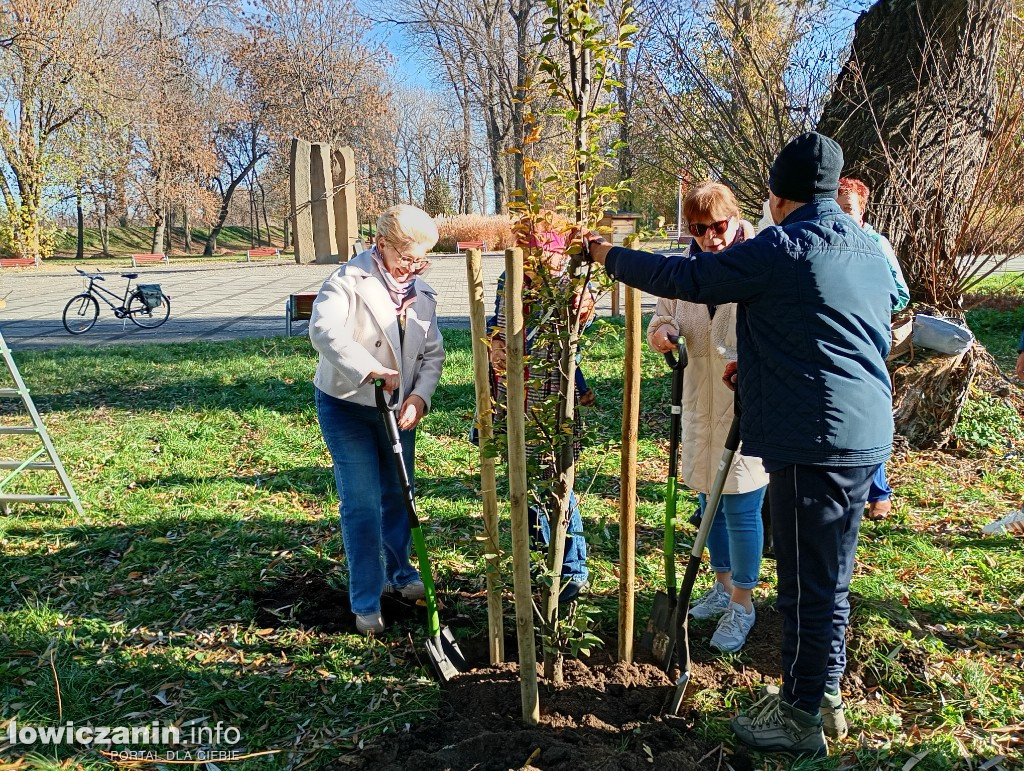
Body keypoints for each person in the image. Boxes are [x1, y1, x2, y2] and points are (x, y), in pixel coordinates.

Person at [584, 132, 898, 756]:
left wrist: (610, 256)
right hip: (863, 433)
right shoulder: (866, 247)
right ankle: (826, 696)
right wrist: (756, 365)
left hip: (814, 437)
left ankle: (799, 715)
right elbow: (838, 328)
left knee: (806, 584)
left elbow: (686, 276)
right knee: (829, 576)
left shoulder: (782, 246)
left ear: (778, 199)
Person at [309, 204, 445, 635]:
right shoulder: (348, 282)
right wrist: (369, 369)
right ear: (381, 244)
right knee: (363, 502)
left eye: (421, 259)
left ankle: (400, 573)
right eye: (406, 257)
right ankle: (366, 598)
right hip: (347, 405)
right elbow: (324, 331)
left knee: (400, 495)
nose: (413, 267)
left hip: (399, 411)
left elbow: (432, 355)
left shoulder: (422, 294)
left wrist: (420, 397)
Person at [647, 182, 768, 653]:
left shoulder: (759, 261)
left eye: (718, 226)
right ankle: (721, 587)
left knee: (740, 507)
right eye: (699, 230)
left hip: (744, 408)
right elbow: (661, 318)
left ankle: (744, 602)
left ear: (735, 218)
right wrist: (664, 333)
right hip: (699, 402)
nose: (711, 238)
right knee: (708, 506)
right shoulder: (685, 272)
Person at [489, 224, 593, 604]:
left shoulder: (569, 284)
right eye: (524, 257)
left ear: (556, 255)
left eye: (539, 258)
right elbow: (498, 326)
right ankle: (539, 560)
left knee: (559, 482)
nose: (531, 266)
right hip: (517, 394)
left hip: (551, 399)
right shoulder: (509, 279)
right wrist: (495, 346)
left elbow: (585, 317)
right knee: (525, 478)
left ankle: (571, 569)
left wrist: (582, 309)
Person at [836, 177, 910, 521]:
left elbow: (900, 292)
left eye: (849, 208)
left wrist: (866, 302)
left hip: (866, 340)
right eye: (837, 208)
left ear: (862, 210)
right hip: (832, 339)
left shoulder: (876, 243)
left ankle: (879, 492)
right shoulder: (825, 241)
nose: (842, 214)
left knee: (867, 416)